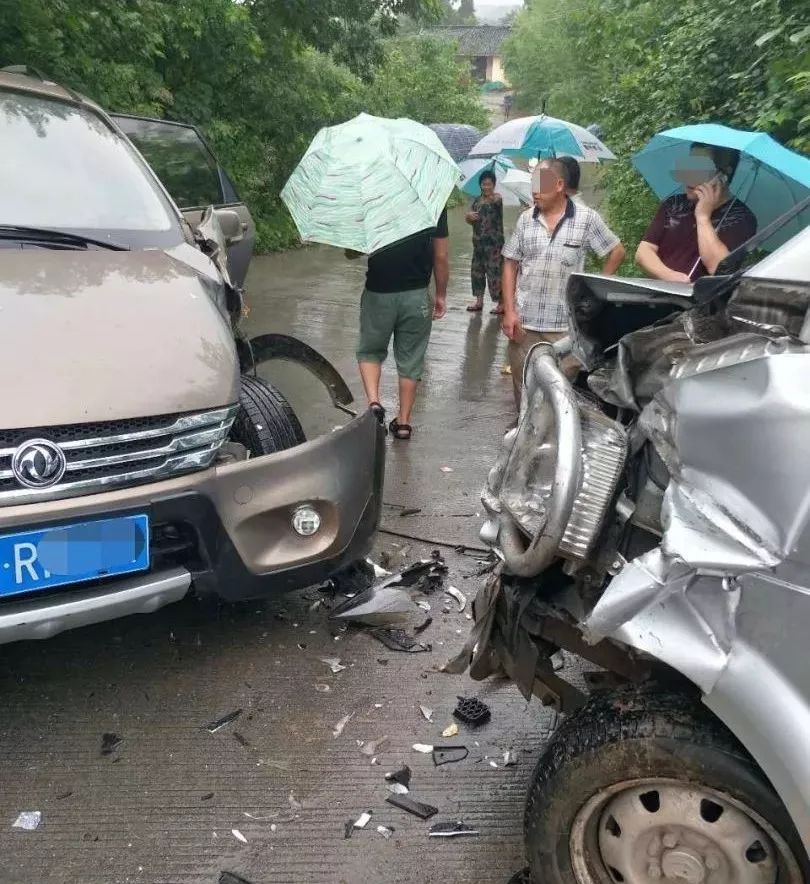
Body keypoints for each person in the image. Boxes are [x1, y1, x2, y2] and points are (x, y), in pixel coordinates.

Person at [501, 158, 625, 405]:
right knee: (523, 389)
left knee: (557, 395)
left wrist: (595, 293)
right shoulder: (526, 219)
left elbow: (616, 251)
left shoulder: (586, 219)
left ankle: (553, 438)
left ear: (559, 184)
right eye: (533, 183)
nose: (535, 190)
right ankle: (526, 431)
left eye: (541, 183)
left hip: (564, 327)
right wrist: (509, 311)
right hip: (525, 324)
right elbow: (510, 262)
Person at [350, 209, 449, 440]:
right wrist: (441, 294)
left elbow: (353, 252)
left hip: (378, 292)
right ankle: (404, 423)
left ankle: (374, 404)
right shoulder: (432, 199)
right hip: (416, 295)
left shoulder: (370, 197)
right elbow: (441, 256)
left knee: (369, 351)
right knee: (411, 359)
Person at [635, 142, 757, 282]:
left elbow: (718, 269)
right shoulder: (674, 204)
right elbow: (644, 251)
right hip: (656, 295)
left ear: (722, 176)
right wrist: (669, 276)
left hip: (697, 302)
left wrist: (703, 217)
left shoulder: (741, 218)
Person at [465, 170, 505, 315]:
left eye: (489, 184)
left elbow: (493, 202)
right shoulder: (476, 201)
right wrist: (468, 217)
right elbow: (470, 220)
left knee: (495, 274)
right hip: (478, 245)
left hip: (494, 246)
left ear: (494, 185)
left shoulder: (497, 199)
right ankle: (479, 302)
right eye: (483, 184)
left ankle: (502, 303)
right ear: (480, 185)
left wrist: (482, 203)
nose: (486, 187)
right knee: (477, 273)